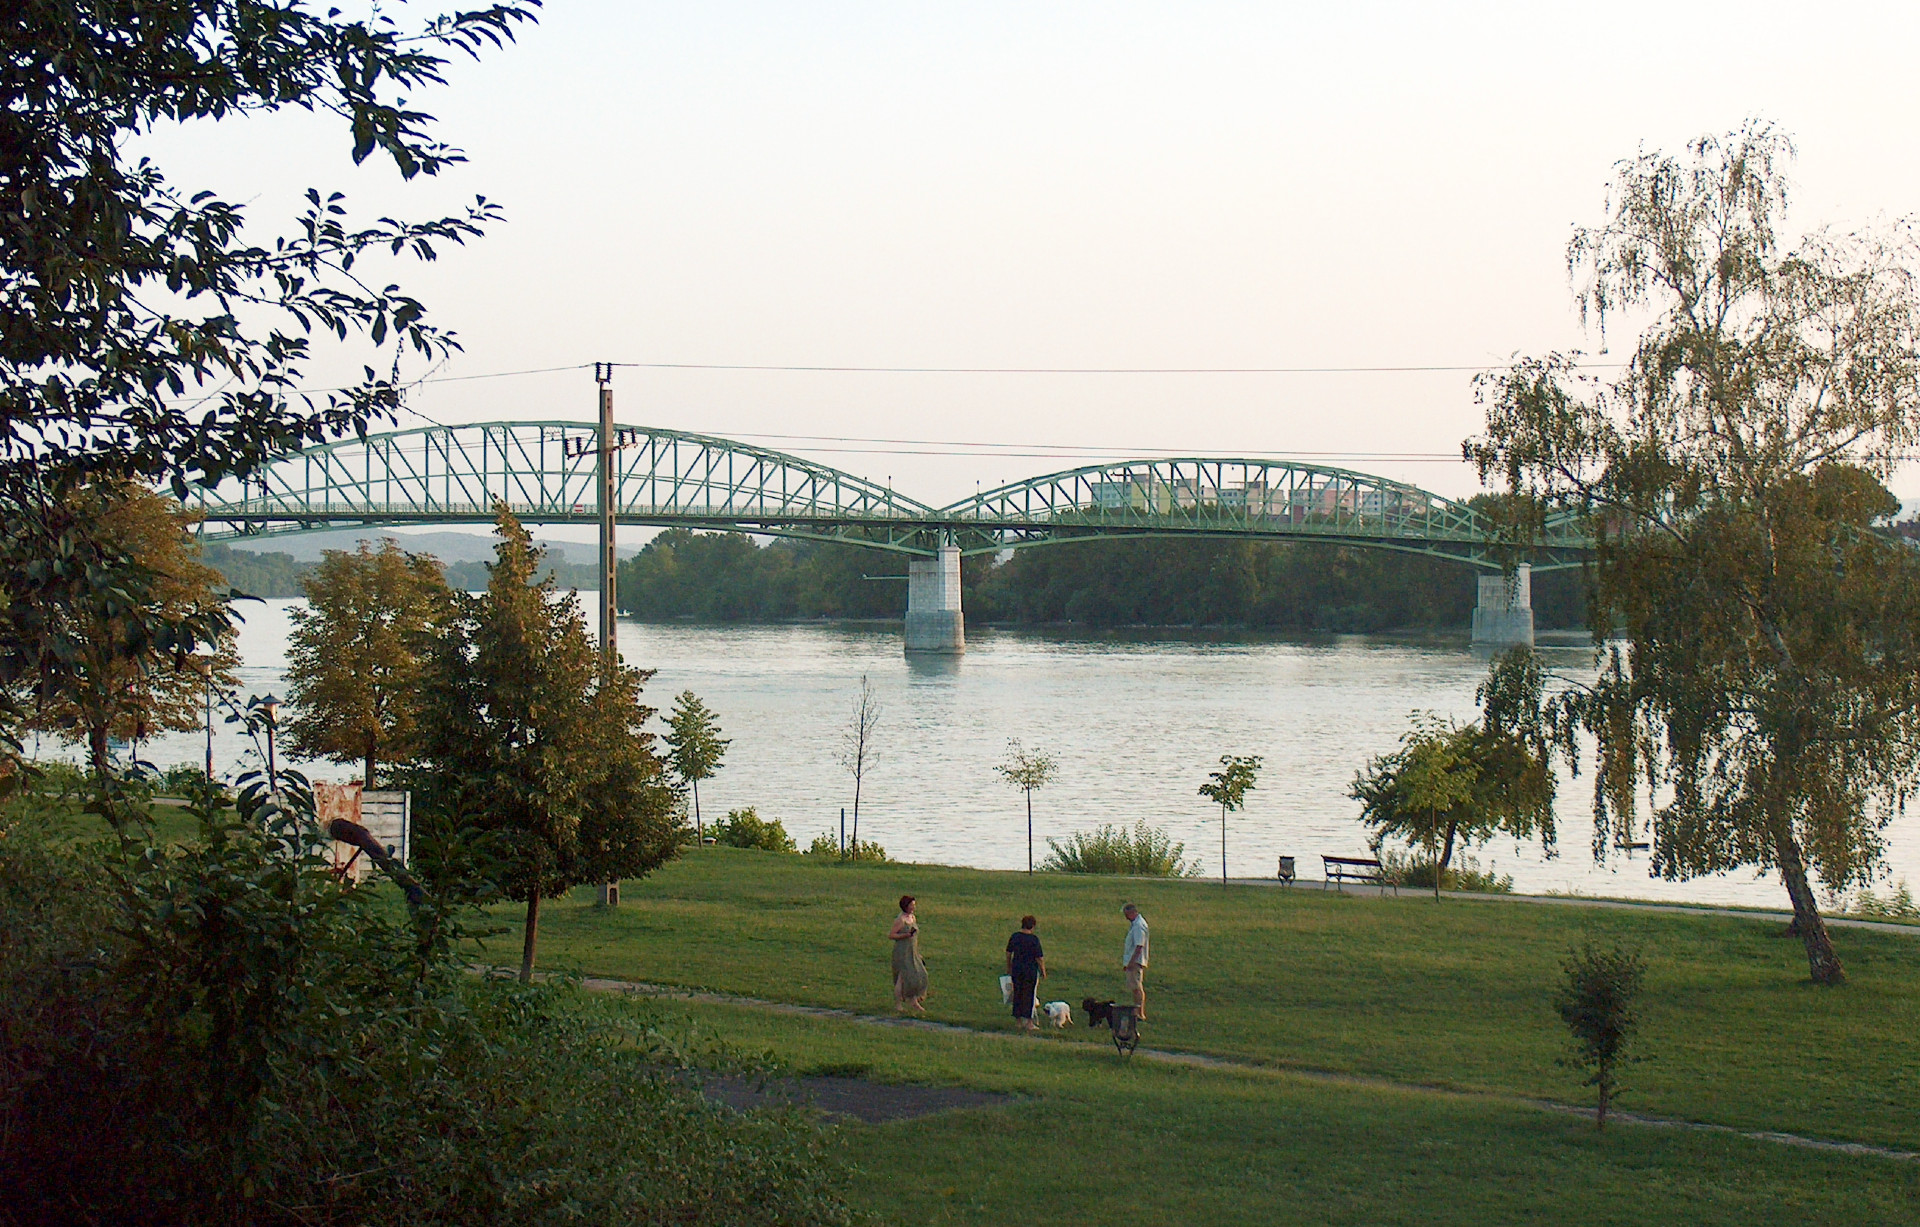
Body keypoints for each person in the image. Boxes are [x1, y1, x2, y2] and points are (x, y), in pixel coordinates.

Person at [1005, 914, 1046, 1033]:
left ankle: (1018, 1021)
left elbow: (1008, 953)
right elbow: (1039, 958)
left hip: (1017, 969)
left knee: (1017, 993)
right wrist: (1043, 970)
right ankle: (1028, 1022)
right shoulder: (1034, 940)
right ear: (1033, 926)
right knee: (1029, 995)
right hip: (1030, 970)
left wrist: (1009, 967)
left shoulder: (1015, 937)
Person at [888, 894, 929, 1013]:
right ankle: (898, 1004)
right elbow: (891, 935)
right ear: (905, 906)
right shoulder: (900, 920)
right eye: (911, 905)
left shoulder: (912, 918)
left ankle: (913, 1000)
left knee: (919, 974)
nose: (913, 907)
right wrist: (905, 935)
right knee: (902, 978)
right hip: (902, 952)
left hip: (912, 951)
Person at [1121, 902, 1149, 1021]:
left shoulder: (1138, 926)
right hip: (1132, 961)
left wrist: (1131, 962)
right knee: (1134, 987)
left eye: (1127, 914)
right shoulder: (1135, 924)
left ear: (1132, 913)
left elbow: (1139, 946)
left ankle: (1140, 1013)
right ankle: (1137, 1011)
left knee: (1137, 987)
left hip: (1135, 962)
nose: (1126, 917)